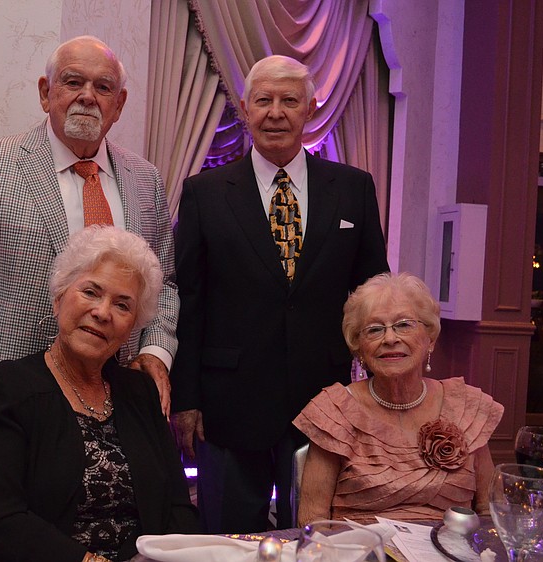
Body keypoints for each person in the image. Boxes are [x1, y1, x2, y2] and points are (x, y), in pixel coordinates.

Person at [0, 36, 178, 469]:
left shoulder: (146, 180)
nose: (87, 97)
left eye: (102, 87)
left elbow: (164, 286)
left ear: (120, 103)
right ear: (46, 93)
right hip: (8, 409)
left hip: (114, 411)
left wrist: (155, 352)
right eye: (72, 82)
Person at [170, 54, 389, 533]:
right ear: (245, 109)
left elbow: (374, 292)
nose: (276, 112)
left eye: (289, 100)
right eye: (264, 101)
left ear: (310, 108)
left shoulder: (353, 190)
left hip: (324, 401)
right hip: (226, 404)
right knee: (228, 539)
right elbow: (186, 298)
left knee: (314, 534)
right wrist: (185, 397)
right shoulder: (204, 193)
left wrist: (378, 387)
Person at [0, 226, 199, 562]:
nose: (103, 313)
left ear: (134, 325)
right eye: (91, 292)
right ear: (59, 297)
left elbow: (178, 509)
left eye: (122, 305)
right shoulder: (4, 391)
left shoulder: (141, 394)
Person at [294, 272, 504, 525]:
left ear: (430, 339)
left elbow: (490, 513)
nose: (390, 338)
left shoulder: (466, 407)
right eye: (374, 329)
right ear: (359, 347)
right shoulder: (335, 411)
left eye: (404, 325)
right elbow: (313, 521)